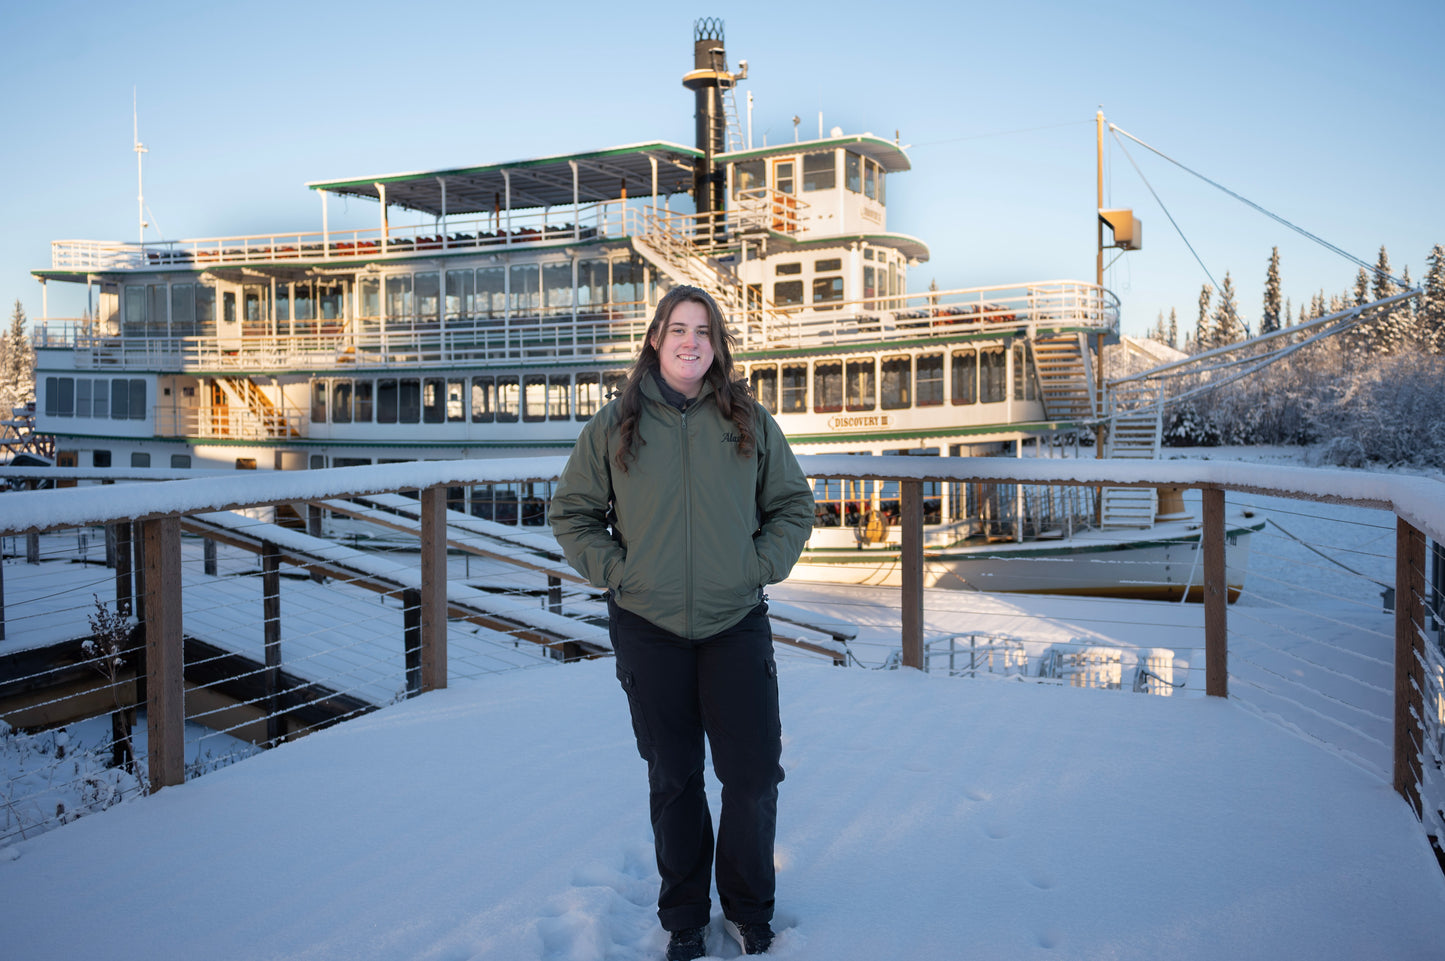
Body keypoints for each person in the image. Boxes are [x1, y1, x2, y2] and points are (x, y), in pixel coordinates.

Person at [550, 285, 814, 959]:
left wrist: (758, 564)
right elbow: (572, 512)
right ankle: (685, 916)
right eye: (677, 328)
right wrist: (619, 572)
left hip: (734, 620)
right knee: (674, 775)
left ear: (717, 343)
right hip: (648, 623)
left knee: (752, 775)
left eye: (703, 330)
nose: (690, 340)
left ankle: (749, 908)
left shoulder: (748, 421)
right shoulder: (614, 425)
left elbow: (791, 505)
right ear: (655, 340)